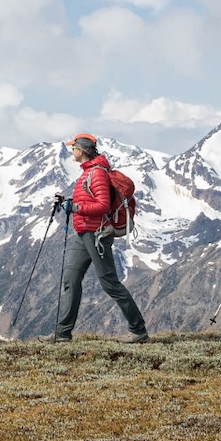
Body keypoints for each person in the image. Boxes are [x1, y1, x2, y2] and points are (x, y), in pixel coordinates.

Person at [49, 134, 149, 344]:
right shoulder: (88, 172)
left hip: (96, 235)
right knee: (70, 280)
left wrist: (75, 207)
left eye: (73, 148)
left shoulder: (97, 174)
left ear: (82, 150)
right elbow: (89, 200)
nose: (72, 151)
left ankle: (138, 330)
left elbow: (102, 206)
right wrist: (68, 203)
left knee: (110, 283)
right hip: (84, 234)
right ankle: (62, 334)